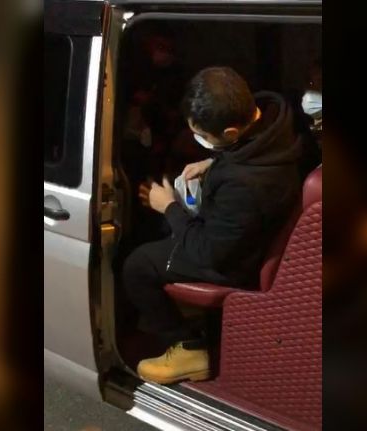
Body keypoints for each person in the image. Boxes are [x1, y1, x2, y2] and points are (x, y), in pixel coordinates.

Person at [122, 67, 302, 384]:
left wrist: (169, 206)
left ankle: (190, 348)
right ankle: (190, 313)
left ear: (231, 133)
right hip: (243, 227)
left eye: (203, 137)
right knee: (157, 227)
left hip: (233, 260)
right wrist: (215, 161)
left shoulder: (245, 185)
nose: (199, 140)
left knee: (137, 265)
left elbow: (209, 252)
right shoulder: (275, 117)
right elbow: (241, 160)